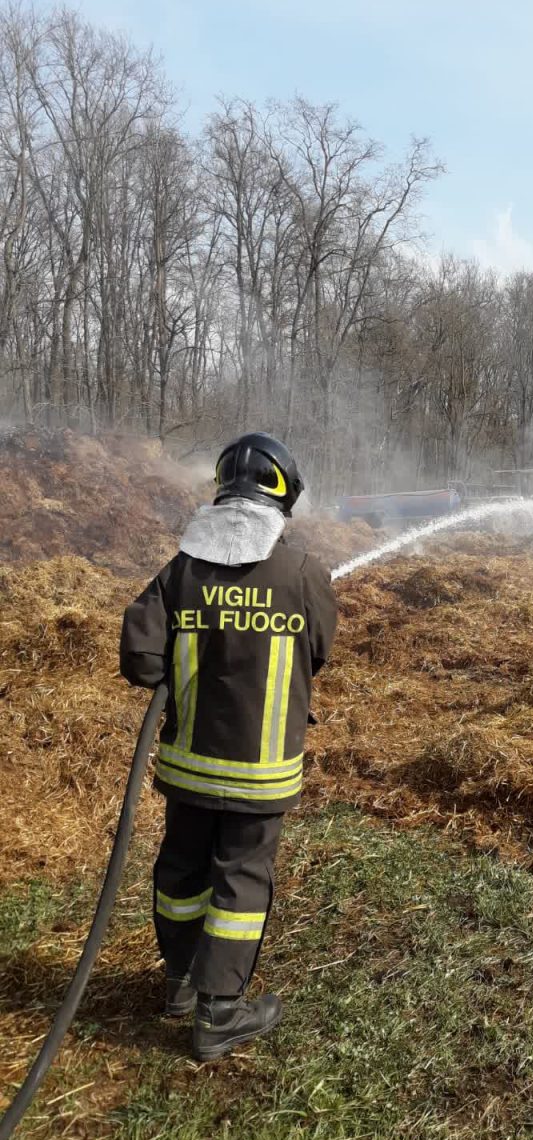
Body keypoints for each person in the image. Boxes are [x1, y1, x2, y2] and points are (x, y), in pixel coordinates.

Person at [119, 433, 338, 1061]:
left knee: (181, 871)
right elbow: (317, 652)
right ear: (281, 499)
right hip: (261, 774)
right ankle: (219, 1014)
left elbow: (138, 659)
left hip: (188, 767)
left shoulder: (182, 569)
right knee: (240, 882)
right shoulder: (301, 572)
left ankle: (180, 983)